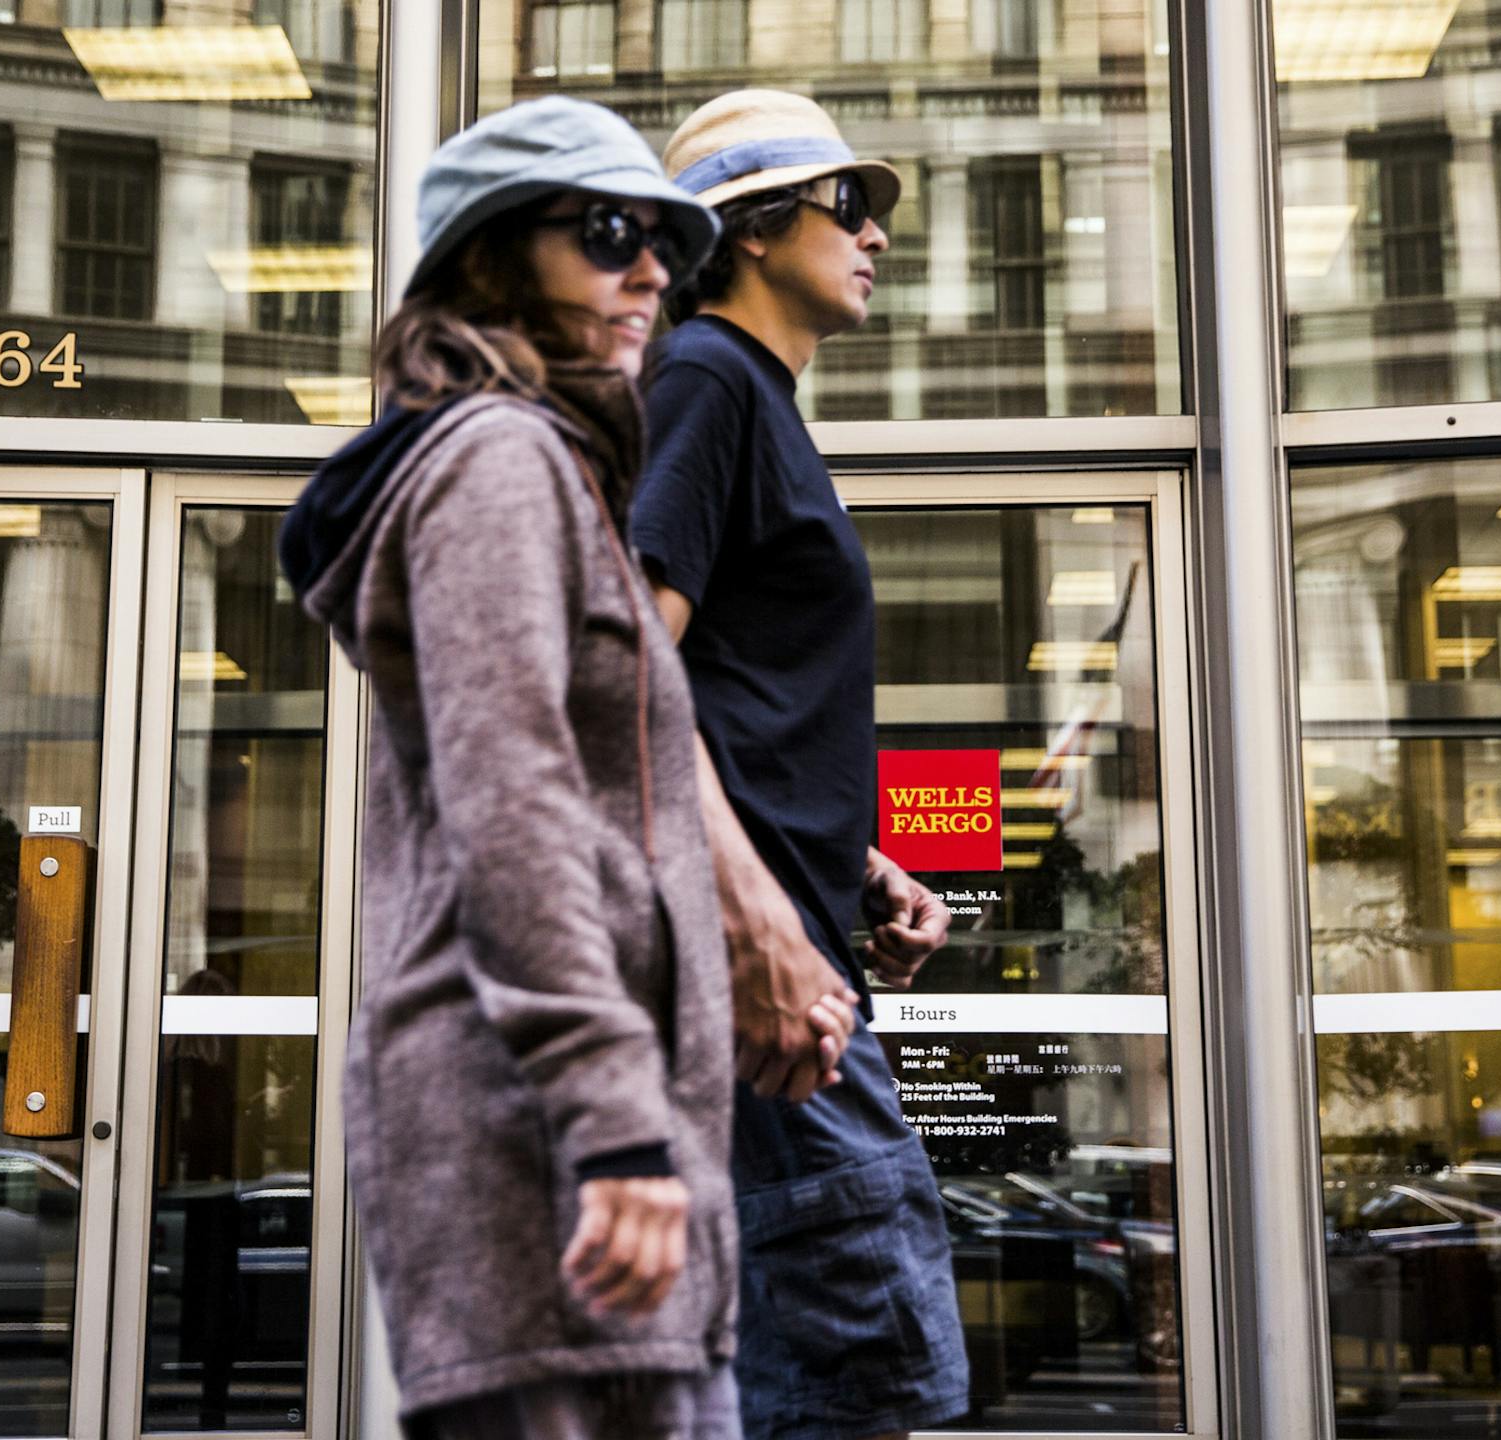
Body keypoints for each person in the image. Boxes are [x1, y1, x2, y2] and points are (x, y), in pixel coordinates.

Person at [278, 96, 840, 1440]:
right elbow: (513, 805)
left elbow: (602, 802)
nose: (649, 270)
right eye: (605, 235)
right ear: (491, 262)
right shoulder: (496, 460)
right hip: (541, 1150)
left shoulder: (559, 470)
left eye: (662, 242)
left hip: (602, 1153)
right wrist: (614, 1126)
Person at [632, 90, 972, 1440]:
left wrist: (854, 863)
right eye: (850, 204)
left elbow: (721, 700)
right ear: (756, 229)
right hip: (753, 990)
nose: (877, 233)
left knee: (798, 1386)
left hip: (770, 968)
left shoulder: (748, 399)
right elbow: (619, 676)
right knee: (859, 1383)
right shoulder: (707, 380)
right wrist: (764, 925)